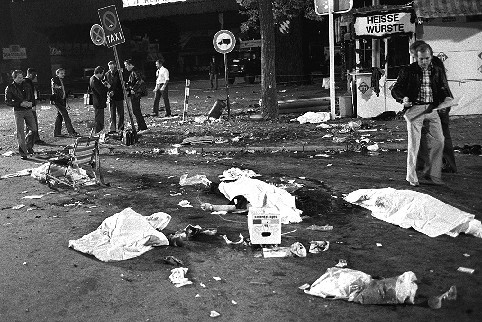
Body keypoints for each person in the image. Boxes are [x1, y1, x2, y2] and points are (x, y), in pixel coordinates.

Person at [392, 43, 453, 186]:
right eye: (421, 59)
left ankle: (433, 174)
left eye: (427, 58)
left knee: (439, 141)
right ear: (416, 58)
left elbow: (442, 87)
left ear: (431, 57)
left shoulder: (436, 70)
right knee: (414, 145)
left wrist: (447, 97)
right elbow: (396, 89)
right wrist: (403, 98)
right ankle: (411, 176)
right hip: (415, 109)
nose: (424, 62)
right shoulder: (408, 71)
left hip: (432, 109)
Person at [410, 40, 457, 173]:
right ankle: (426, 163)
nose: (417, 60)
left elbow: (439, 86)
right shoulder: (431, 62)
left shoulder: (433, 64)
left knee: (441, 135)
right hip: (434, 104)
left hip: (437, 105)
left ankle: (446, 164)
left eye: (415, 55)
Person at [5, 70, 37, 159]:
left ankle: (28, 146)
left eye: (22, 77)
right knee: (20, 132)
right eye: (19, 77)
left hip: (28, 110)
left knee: (34, 129)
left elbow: (32, 96)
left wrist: (32, 104)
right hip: (18, 111)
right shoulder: (10, 87)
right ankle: (23, 153)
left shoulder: (26, 85)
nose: (21, 79)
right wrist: (20, 103)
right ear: (14, 78)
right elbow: (7, 101)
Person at [51, 68, 79, 137]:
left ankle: (57, 133)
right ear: (57, 74)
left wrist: (66, 100)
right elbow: (54, 86)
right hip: (57, 100)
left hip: (61, 100)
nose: (63, 74)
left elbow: (64, 91)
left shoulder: (63, 80)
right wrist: (58, 87)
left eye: (64, 73)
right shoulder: (54, 80)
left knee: (60, 116)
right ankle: (71, 132)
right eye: (61, 73)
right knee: (65, 115)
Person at [123, 59, 148, 131]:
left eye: (126, 65)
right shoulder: (133, 72)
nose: (126, 67)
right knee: (136, 110)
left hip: (136, 94)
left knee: (136, 110)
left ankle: (142, 126)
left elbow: (140, 81)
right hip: (135, 93)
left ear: (131, 65)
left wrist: (134, 89)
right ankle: (141, 126)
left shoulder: (135, 72)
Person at [23, 68, 46, 145]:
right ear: (29, 74)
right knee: (32, 123)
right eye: (34, 75)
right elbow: (29, 95)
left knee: (30, 124)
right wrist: (32, 105)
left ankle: (32, 139)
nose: (35, 76)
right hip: (30, 106)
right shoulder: (27, 82)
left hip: (28, 105)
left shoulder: (28, 82)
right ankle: (34, 140)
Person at [103, 61, 124, 134]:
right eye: (109, 66)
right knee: (111, 113)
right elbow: (105, 83)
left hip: (119, 96)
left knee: (120, 113)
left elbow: (121, 85)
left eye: (112, 66)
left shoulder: (119, 73)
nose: (111, 68)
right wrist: (108, 90)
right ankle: (112, 129)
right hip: (111, 97)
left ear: (114, 66)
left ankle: (121, 128)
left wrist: (113, 90)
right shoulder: (107, 74)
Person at [89, 66, 110, 134]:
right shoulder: (95, 80)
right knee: (99, 119)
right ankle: (98, 132)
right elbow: (100, 91)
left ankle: (98, 131)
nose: (102, 75)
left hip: (97, 101)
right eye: (102, 73)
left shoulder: (93, 78)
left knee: (99, 117)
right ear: (99, 73)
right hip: (99, 101)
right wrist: (107, 87)